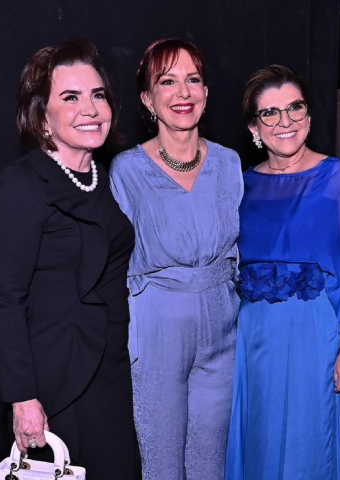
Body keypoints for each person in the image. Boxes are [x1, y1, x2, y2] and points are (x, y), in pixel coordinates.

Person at [0, 37, 140, 480]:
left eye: (98, 94)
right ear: (43, 117)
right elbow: (3, 299)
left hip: (108, 371)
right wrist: (24, 400)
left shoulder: (98, 176)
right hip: (55, 383)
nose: (90, 108)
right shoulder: (21, 187)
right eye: (70, 97)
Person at [225, 65, 340, 479]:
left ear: (309, 117)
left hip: (317, 336)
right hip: (254, 340)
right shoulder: (241, 186)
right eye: (271, 113)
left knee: (310, 443)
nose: (286, 122)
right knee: (259, 439)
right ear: (254, 128)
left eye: (295, 108)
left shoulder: (337, 178)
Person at [109, 38, 243, 480]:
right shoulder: (126, 170)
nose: (183, 92)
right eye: (168, 81)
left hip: (223, 323)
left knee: (211, 460)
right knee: (161, 460)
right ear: (148, 99)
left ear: (205, 92)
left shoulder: (229, 163)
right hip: (157, 325)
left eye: (193, 80)